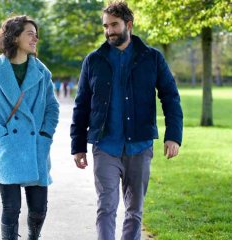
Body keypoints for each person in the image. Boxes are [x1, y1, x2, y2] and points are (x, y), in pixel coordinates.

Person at [70, 2, 183, 240]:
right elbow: (81, 105)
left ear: (128, 25)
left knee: (134, 211)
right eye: (105, 26)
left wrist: (173, 135)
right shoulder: (93, 61)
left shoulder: (151, 58)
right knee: (106, 207)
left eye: (114, 25)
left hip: (139, 146)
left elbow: (170, 97)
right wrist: (78, 145)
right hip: (105, 146)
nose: (109, 31)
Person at [0, 15, 59, 240]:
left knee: (39, 209)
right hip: (8, 149)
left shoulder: (42, 72)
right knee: (11, 209)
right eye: (30, 33)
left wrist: (45, 134)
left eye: (36, 34)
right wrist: (1, 134)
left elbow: (52, 107)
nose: (35, 38)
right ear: (14, 37)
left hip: (36, 148)